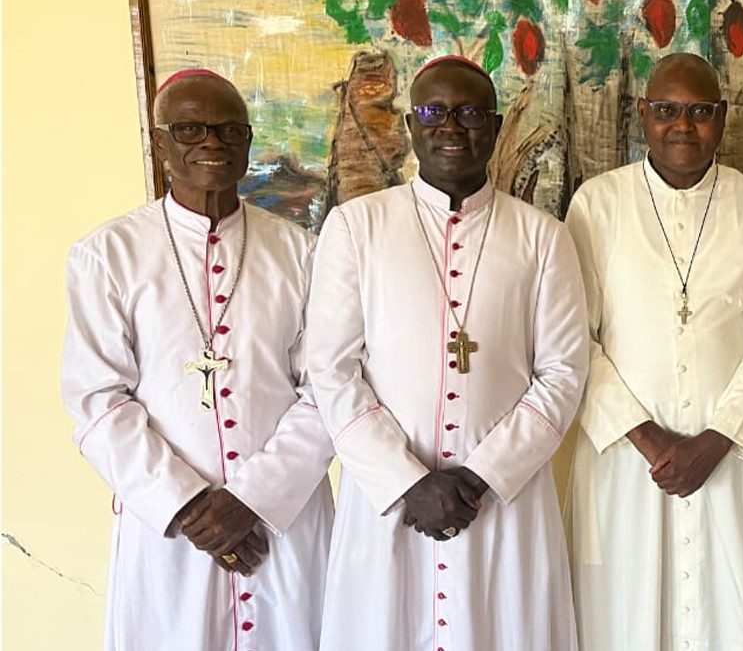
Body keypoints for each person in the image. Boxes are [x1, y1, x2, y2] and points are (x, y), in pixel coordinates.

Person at [307, 55, 588, 650]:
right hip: (389, 501)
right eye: (434, 112)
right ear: (412, 124)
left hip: (503, 503)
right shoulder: (357, 228)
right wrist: (408, 482)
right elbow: (331, 370)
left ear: (493, 125)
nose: (451, 127)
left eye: (470, 113)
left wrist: (482, 476)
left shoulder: (543, 236)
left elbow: (563, 373)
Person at [62, 69, 334, 649]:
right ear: (161, 144)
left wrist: (252, 498)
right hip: (169, 530)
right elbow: (97, 401)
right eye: (190, 128)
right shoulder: (107, 255)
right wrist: (189, 504)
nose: (211, 142)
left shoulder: (302, 253)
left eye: (229, 131)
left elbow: (328, 386)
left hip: (282, 521)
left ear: (248, 143)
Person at [565, 52, 743, 650]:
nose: (682, 126)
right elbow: (574, 341)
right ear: (643, 115)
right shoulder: (597, 205)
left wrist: (714, 441)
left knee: (730, 609)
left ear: (722, 117)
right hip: (627, 459)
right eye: (666, 111)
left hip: (731, 456)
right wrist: (652, 440)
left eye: (700, 112)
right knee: (625, 612)